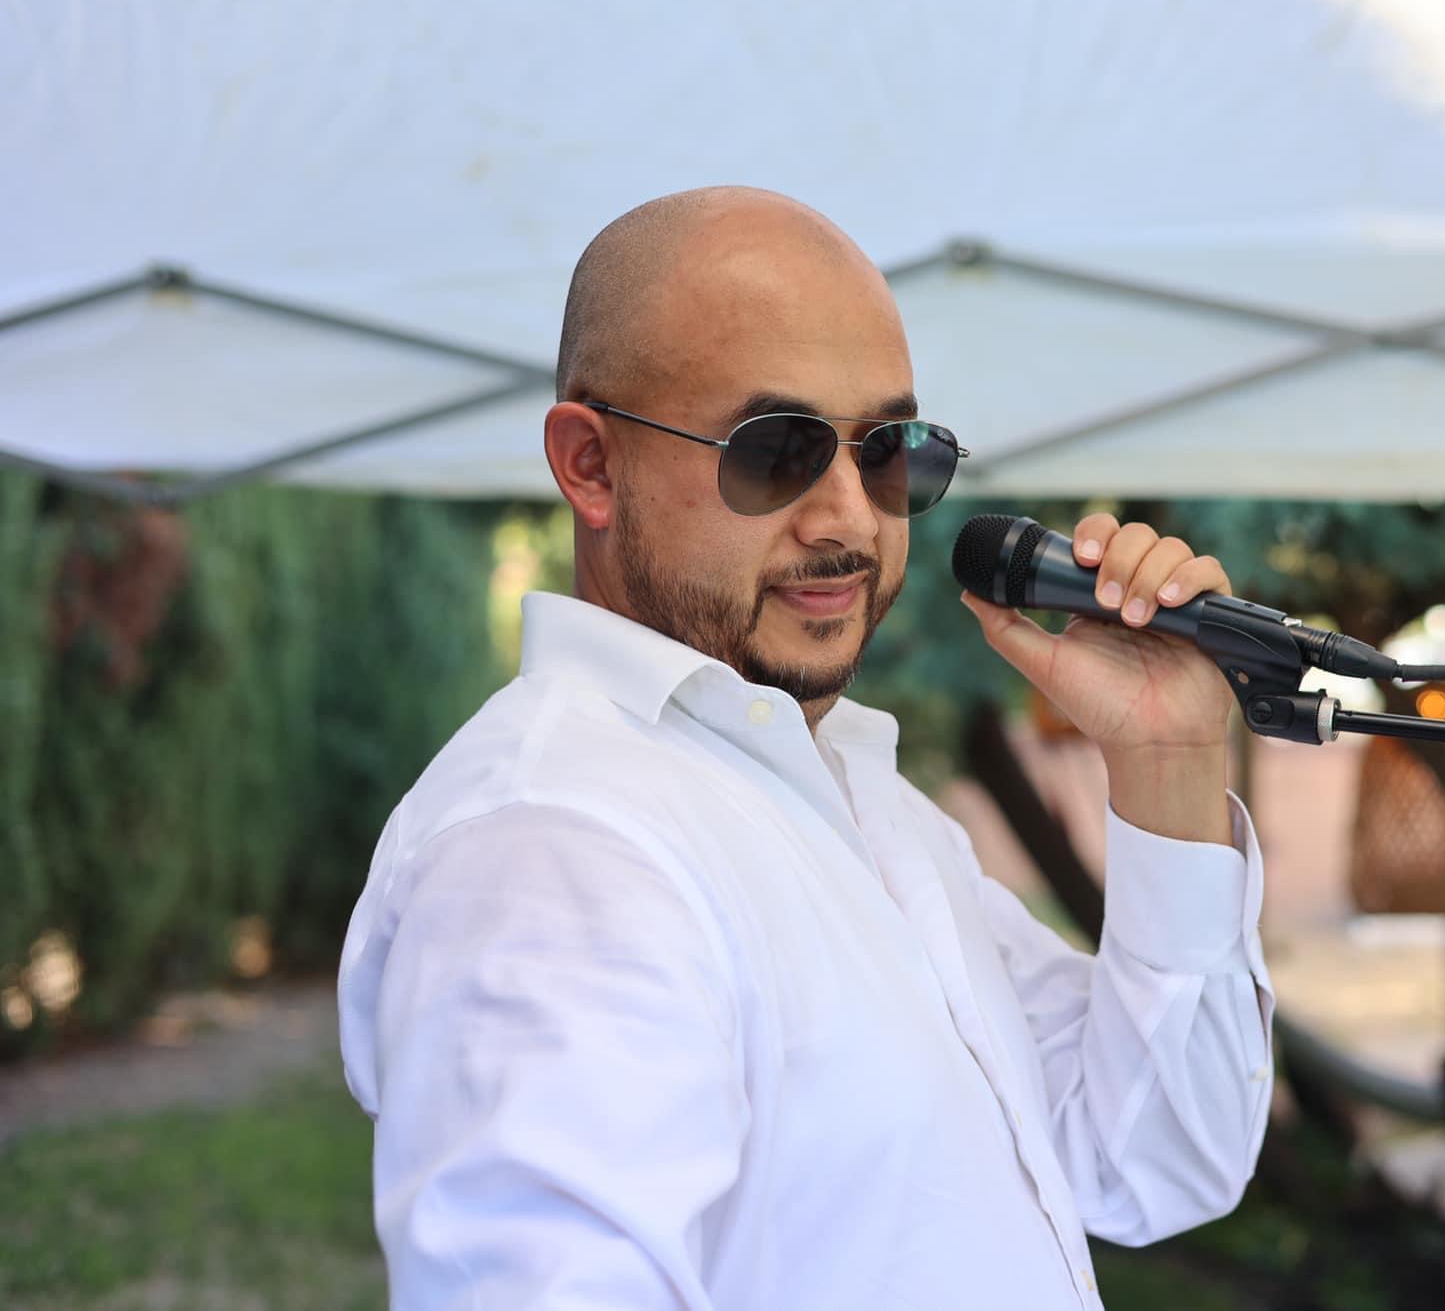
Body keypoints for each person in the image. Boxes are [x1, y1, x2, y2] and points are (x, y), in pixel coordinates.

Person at [337, 187, 1276, 1309]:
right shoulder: (561, 843)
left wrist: (1167, 761)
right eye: (774, 451)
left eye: (890, 452)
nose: (846, 518)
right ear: (590, 465)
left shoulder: (856, 806)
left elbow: (1154, 1159)